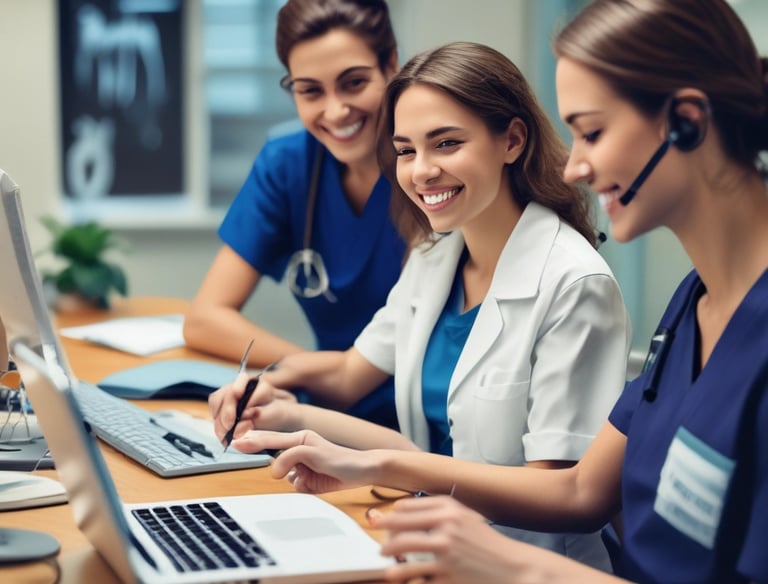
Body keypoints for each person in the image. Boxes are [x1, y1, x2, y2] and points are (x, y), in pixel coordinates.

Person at [309, 1, 768, 582]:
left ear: (688, 121)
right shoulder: (692, 305)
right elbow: (580, 491)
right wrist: (363, 460)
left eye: (593, 132)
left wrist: (514, 565)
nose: (575, 166)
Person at [210, 41, 632, 571]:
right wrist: (277, 410)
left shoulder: (574, 284)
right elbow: (351, 375)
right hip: (427, 550)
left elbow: (558, 494)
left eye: (447, 143)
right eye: (406, 150)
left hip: (524, 567)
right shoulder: (437, 254)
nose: (421, 171)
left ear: (512, 141)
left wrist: (377, 466)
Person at [183, 0, 406, 429]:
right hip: (330, 410)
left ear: (391, 65)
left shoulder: (431, 173)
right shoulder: (288, 164)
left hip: (426, 426)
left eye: (354, 83)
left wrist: (327, 375)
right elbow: (204, 319)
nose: (336, 111)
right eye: (311, 91)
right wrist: (323, 370)